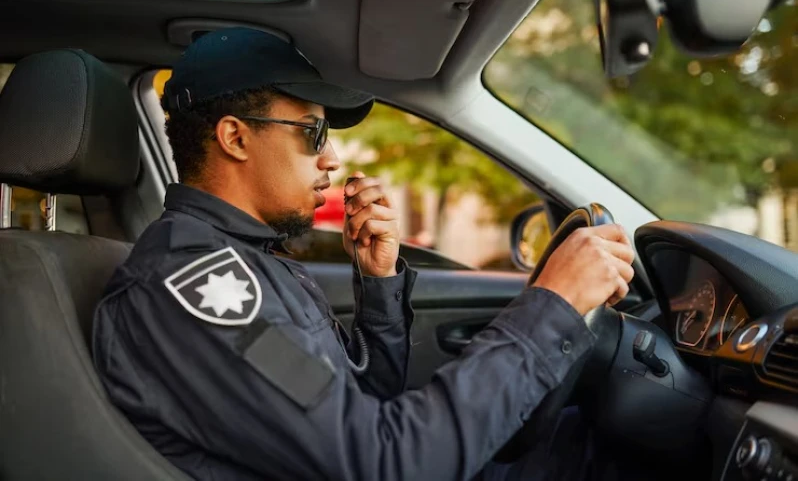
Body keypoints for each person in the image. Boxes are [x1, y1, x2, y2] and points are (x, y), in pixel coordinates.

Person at [92, 27, 636, 481]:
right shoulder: (197, 287)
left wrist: (376, 284)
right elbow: (384, 460)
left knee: (585, 437)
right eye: (313, 132)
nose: (331, 157)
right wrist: (551, 306)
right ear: (234, 138)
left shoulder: (247, 258)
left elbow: (356, 402)